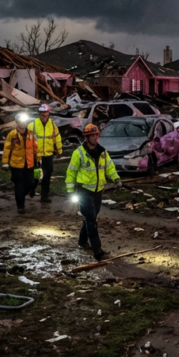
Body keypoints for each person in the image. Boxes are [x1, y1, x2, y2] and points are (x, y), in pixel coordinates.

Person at [66, 124, 121, 260]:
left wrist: (115, 177)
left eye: (96, 135)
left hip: (98, 190)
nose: (95, 137)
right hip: (84, 190)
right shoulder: (78, 153)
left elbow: (109, 166)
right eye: (92, 135)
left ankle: (82, 241)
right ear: (87, 137)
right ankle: (97, 249)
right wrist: (70, 189)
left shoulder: (102, 152)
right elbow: (71, 171)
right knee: (91, 219)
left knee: (91, 217)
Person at [2, 121, 38, 214]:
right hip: (17, 165)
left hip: (29, 164)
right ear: (17, 124)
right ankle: (20, 206)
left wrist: (38, 158)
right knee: (19, 185)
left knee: (29, 183)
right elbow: (7, 148)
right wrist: (5, 162)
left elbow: (35, 147)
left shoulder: (30, 134)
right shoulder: (12, 134)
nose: (22, 125)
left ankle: (23, 195)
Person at [29, 105, 62, 203]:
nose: (44, 114)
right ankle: (32, 188)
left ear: (48, 113)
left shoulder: (52, 125)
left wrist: (59, 150)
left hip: (48, 155)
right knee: (36, 176)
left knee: (47, 176)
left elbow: (57, 138)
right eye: (42, 113)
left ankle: (44, 196)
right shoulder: (33, 125)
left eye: (46, 112)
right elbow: (27, 139)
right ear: (39, 113)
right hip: (37, 155)